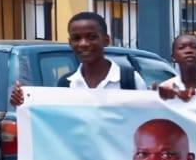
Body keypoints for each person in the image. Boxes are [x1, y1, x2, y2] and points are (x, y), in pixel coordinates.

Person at [10, 11, 141, 105]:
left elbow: (148, 121)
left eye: (91, 37)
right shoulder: (66, 84)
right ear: (70, 43)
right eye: (76, 38)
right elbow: (52, 122)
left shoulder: (129, 80)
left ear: (106, 40)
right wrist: (23, 102)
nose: (83, 44)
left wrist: (155, 99)